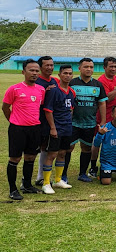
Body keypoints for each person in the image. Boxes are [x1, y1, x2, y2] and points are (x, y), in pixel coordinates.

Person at [3, 59, 46, 200]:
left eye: (36, 71)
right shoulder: (14, 89)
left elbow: (39, 107)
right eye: (31, 70)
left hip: (34, 128)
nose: (34, 73)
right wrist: (14, 121)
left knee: (31, 157)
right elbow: (5, 107)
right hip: (18, 129)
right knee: (15, 158)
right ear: (23, 72)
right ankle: (13, 189)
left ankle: (26, 185)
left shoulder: (41, 89)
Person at [67, 58, 107, 183]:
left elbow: (102, 103)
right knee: (68, 148)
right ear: (79, 68)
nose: (89, 69)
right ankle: (63, 175)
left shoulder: (97, 84)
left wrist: (103, 121)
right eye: (86, 67)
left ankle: (83, 173)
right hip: (73, 122)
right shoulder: (72, 83)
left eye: (91, 67)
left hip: (90, 122)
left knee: (86, 148)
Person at [41, 64, 75, 194]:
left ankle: (58, 180)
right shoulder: (53, 90)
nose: (67, 76)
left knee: (63, 153)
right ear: (59, 75)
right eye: (65, 73)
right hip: (56, 127)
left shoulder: (72, 92)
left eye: (70, 73)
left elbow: (71, 109)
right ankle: (46, 183)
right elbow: (48, 111)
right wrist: (53, 128)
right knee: (52, 154)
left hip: (67, 127)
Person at [35, 56, 59, 186]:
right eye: (47, 65)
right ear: (40, 67)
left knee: (46, 148)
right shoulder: (37, 82)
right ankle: (27, 178)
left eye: (51, 65)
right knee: (33, 150)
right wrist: (45, 93)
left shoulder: (55, 81)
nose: (50, 67)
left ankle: (40, 176)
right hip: (37, 120)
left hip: (50, 120)